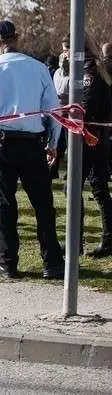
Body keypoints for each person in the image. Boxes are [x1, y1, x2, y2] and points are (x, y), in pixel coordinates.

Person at [0, 20, 64, 279]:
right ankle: (52, 263)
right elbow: (53, 110)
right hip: (33, 143)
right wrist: (53, 143)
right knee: (43, 203)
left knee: (4, 203)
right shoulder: (39, 68)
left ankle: (8, 263)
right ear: (16, 38)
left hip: (1, 143)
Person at [76, 38, 112, 257]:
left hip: (89, 138)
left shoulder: (89, 73)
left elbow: (86, 109)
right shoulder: (95, 70)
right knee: (100, 190)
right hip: (97, 138)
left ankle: (76, 241)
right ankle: (107, 239)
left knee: (75, 190)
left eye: (66, 51)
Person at [50, 36, 71, 179]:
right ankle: (53, 168)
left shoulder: (80, 71)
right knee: (58, 143)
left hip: (72, 114)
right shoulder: (58, 72)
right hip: (58, 113)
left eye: (67, 50)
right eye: (63, 50)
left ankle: (71, 172)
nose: (64, 54)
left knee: (71, 144)